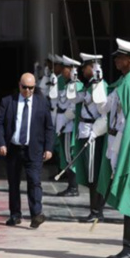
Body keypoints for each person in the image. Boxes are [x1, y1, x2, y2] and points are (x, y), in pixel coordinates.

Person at [95, 38, 130, 258]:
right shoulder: (124, 82)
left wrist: (124, 150)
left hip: (125, 146)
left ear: (129, 59)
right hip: (118, 144)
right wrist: (97, 85)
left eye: (119, 57)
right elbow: (105, 108)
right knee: (129, 195)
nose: (116, 61)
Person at [0, 73, 54, 228]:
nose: (27, 90)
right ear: (19, 85)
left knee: (34, 181)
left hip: (34, 150)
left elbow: (49, 127)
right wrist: (1, 143)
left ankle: (36, 214)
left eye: (31, 88)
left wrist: (48, 148)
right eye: (24, 87)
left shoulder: (42, 103)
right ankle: (15, 215)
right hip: (14, 149)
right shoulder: (8, 102)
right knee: (13, 183)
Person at [73, 53, 109, 223]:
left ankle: (96, 211)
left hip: (93, 133)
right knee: (89, 174)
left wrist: (98, 81)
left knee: (93, 175)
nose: (82, 70)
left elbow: (102, 108)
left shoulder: (100, 86)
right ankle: (94, 210)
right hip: (84, 131)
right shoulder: (88, 86)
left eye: (85, 66)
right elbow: (72, 98)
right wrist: (73, 83)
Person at [54, 55, 83, 197]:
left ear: (72, 70)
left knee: (69, 156)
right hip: (65, 125)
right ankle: (72, 186)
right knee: (67, 156)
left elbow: (72, 109)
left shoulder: (75, 85)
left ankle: (73, 187)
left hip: (69, 126)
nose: (63, 71)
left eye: (65, 68)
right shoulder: (67, 85)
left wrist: (61, 124)